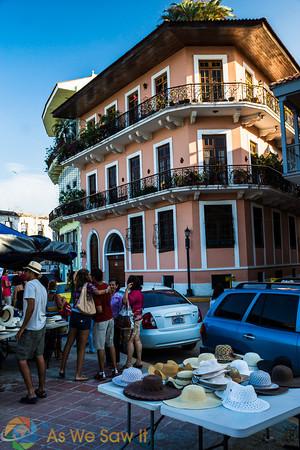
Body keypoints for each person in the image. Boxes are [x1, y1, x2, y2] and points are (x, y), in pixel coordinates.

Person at [59, 269, 109, 381]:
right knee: (81, 347)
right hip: (84, 316)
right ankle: (78, 374)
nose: (91, 276)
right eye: (89, 274)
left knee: (68, 343)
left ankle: (62, 369)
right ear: (86, 276)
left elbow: (75, 276)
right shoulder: (89, 286)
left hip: (74, 315)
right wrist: (107, 290)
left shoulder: (76, 285)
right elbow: (98, 292)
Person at [16, 261, 47, 404]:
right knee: (39, 356)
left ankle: (31, 393)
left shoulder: (30, 285)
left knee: (21, 359)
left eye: (27, 271)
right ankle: (41, 389)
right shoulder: (42, 287)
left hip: (31, 327)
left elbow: (31, 307)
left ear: (32, 273)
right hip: (41, 325)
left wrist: (22, 328)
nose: (24, 273)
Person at [92, 269, 118, 380]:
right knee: (110, 343)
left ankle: (101, 372)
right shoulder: (107, 286)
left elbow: (99, 309)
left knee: (100, 346)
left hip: (101, 319)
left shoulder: (96, 289)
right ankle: (115, 369)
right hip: (110, 317)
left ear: (93, 277)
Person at [123, 275, 144, 369]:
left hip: (133, 320)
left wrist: (127, 290)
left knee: (130, 340)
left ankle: (128, 363)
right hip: (139, 318)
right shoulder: (140, 293)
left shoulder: (133, 293)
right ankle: (139, 361)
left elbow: (125, 301)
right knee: (137, 339)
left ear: (131, 283)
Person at [110, 279, 123, 364]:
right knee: (109, 341)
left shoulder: (119, 296)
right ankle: (109, 359)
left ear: (117, 286)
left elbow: (121, 309)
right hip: (108, 320)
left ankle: (116, 359)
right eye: (110, 284)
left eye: (113, 285)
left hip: (116, 321)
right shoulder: (108, 294)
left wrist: (117, 319)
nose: (111, 286)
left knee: (115, 341)